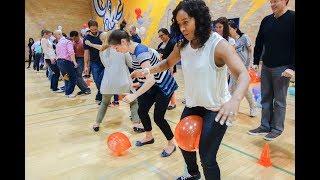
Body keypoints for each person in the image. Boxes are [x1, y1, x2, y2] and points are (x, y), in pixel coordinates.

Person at [131, 0, 249, 179]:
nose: (183, 28)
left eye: (186, 22)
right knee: (184, 144)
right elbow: (167, 63)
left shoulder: (218, 45)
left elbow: (243, 74)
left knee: (207, 157)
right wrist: (147, 70)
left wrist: (235, 100)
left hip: (217, 108)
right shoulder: (182, 45)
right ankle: (193, 175)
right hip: (194, 104)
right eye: (179, 24)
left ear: (199, 19)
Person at [107, 29, 179, 158]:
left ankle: (171, 143)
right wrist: (136, 78)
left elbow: (151, 79)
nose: (116, 51)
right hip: (153, 85)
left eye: (116, 47)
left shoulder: (140, 53)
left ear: (123, 42)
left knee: (158, 117)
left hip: (163, 86)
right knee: (142, 111)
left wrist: (134, 95)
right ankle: (149, 137)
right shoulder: (132, 52)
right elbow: (146, 72)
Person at [248, 0, 295, 141]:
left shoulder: (292, 18)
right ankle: (264, 126)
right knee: (265, 98)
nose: (272, 4)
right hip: (266, 66)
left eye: (276, 1)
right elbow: (259, 41)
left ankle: (277, 128)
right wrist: (256, 61)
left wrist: (292, 67)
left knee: (279, 100)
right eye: (271, 1)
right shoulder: (266, 20)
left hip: (283, 67)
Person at [84, 32, 144, 133]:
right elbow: (130, 64)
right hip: (123, 81)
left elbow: (105, 65)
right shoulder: (122, 48)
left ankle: (96, 124)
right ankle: (136, 124)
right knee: (133, 101)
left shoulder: (102, 51)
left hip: (108, 81)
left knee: (104, 103)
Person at [228, 20, 257, 117]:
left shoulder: (244, 37)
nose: (228, 31)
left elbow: (251, 50)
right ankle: (232, 108)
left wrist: (251, 64)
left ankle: (253, 106)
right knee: (231, 89)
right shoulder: (230, 41)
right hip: (233, 68)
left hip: (244, 68)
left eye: (229, 29)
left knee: (244, 89)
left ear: (235, 29)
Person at [83, 20, 104, 103]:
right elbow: (86, 52)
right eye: (92, 30)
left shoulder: (102, 35)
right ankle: (100, 95)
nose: (94, 31)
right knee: (97, 80)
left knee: (103, 80)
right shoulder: (86, 38)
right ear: (89, 28)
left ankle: (102, 97)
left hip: (105, 61)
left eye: (95, 29)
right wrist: (86, 65)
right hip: (94, 62)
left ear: (97, 27)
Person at [157, 28, 177, 110]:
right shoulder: (161, 44)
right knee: (164, 85)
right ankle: (167, 102)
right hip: (162, 67)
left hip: (170, 67)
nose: (161, 37)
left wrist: (171, 69)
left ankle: (173, 103)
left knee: (170, 85)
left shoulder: (173, 43)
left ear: (167, 34)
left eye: (162, 35)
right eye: (159, 36)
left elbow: (175, 56)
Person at [54, 30, 78, 98]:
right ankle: (69, 93)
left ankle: (67, 92)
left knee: (66, 77)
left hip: (59, 62)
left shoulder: (58, 43)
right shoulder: (67, 42)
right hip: (66, 62)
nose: (55, 37)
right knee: (73, 77)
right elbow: (71, 52)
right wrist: (74, 61)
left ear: (59, 34)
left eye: (55, 35)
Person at [69, 30, 91, 95]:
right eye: (72, 39)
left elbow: (87, 54)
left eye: (74, 38)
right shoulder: (73, 43)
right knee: (76, 76)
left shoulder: (82, 42)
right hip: (76, 59)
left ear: (77, 36)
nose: (73, 40)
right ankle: (84, 89)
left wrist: (86, 64)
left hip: (81, 59)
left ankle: (86, 89)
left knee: (78, 75)